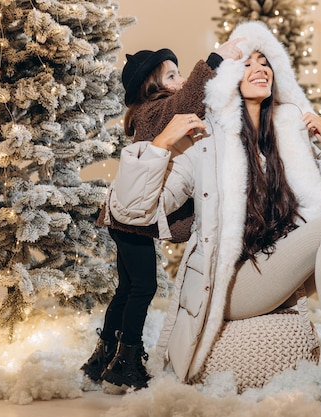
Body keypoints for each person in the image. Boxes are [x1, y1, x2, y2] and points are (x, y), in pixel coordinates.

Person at [107, 21, 321, 410]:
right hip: (231, 282)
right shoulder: (204, 142)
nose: (260, 68)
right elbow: (135, 210)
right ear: (229, 80)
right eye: (248, 62)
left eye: (266, 62)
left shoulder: (285, 139)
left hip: (280, 268)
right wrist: (161, 144)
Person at [81, 39, 244, 392]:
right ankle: (126, 361)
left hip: (123, 217)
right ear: (150, 87)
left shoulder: (156, 112)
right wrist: (217, 59)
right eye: (173, 75)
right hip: (132, 218)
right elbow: (189, 100)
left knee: (127, 288)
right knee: (143, 287)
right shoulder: (153, 112)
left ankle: (103, 355)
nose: (182, 79)